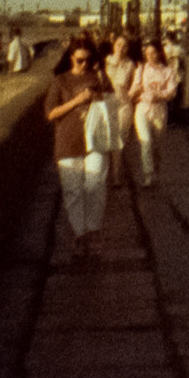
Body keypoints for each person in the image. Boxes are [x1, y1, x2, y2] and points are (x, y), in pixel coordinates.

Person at [45, 38, 109, 259]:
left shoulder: (97, 77)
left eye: (88, 59)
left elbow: (109, 104)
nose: (84, 64)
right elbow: (51, 113)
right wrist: (77, 100)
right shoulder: (60, 81)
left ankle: (93, 231)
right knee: (73, 192)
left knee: (95, 185)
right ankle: (80, 235)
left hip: (96, 140)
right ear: (71, 57)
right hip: (68, 142)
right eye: (80, 60)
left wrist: (102, 86)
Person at [132, 36, 178, 186]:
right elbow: (132, 91)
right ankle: (148, 175)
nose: (150, 56)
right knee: (146, 142)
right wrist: (135, 91)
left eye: (153, 53)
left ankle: (156, 172)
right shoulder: (141, 69)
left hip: (159, 110)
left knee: (156, 146)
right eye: (147, 53)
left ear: (159, 53)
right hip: (142, 109)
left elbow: (172, 92)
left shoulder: (168, 71)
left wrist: (158, 95)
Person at [105, 32, 141, 183]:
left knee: (119, 139)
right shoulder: (105, 62)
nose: (121, 48)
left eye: (124, 46)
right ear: (113, 46)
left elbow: (135, 84)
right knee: (106, 137)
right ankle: (105, 171)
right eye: (118, 45)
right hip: (106, 104)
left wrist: (132, 94)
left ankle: (116, 175)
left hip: (123, 105)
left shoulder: (130, 65)